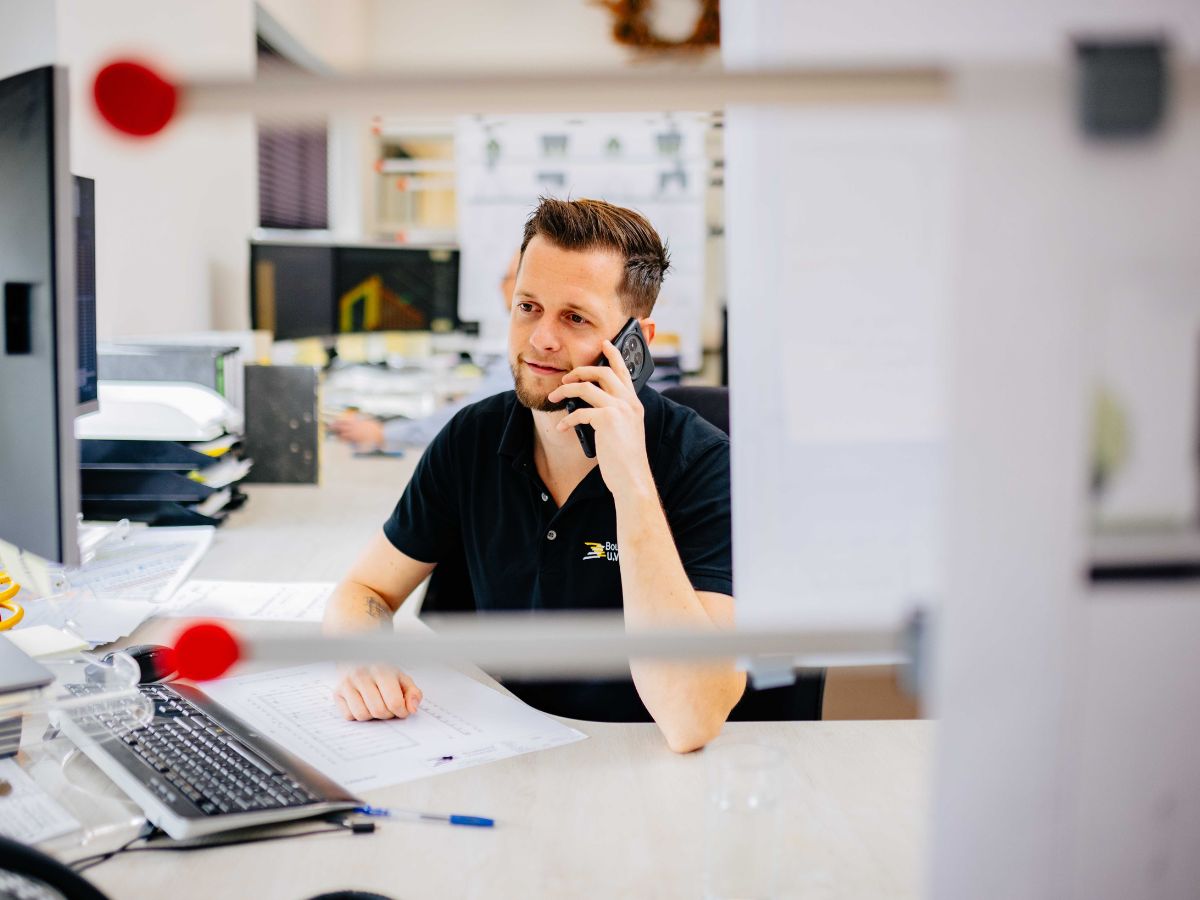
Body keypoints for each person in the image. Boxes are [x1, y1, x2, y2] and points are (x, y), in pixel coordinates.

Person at [323, 198, 743, 753]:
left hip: (630, 765)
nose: (541, 338)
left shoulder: (705, 466)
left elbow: (692, 720)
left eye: (575, 317)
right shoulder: (473, 434)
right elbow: (364, 589)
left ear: (635, 343)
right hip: (486, 749)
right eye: (528, 306)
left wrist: (632, 485)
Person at [328, 249, 521, 450]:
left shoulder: (524, 353)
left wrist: (381, 434)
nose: (500, 286)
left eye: (507, 278)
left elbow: (469, 422)